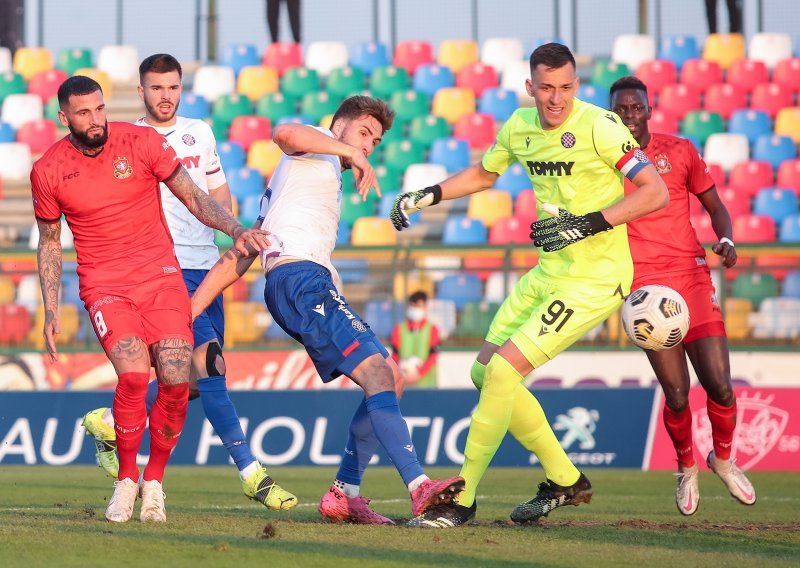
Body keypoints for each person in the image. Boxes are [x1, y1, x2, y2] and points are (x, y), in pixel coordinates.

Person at [389, 42, 669, 528]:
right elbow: (482, 174)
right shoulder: (519, 127)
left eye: (564, 88)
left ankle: (463, 498)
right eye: (545, 88)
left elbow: (655, 192)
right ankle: (565, 478)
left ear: (575, 86)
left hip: (594, 279)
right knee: (484, 374)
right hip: (546, 273)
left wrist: (588, 224)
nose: (555, 99)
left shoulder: (601, 126)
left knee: (500, 374)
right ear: (530, 87)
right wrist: (427, 194)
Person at [189, 95, 465, 525]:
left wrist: (189, 310)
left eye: (374, 140)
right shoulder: (314, 144)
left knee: (390, 378)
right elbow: (284, 133)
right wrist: (349, 150)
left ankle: (345, 492)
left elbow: (240, 254)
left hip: (302, 282)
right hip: (300, 280)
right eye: (363, 133)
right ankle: (419, 486)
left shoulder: (302, 180)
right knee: (379, 375)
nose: (368, 145)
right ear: (339, 125)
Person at [32, 75, 270, 523]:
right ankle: (126, 481)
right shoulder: (48, 169)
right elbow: (49, 243)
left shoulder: (139, 142)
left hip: (161, 277)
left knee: (178, 378)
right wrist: (50, 308)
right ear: (64, 118)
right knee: (136, 377)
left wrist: (236, 229)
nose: (96, 119)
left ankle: (155, 483)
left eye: (100, 108)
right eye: (84, 113)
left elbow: (195, 197)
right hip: (105, 285)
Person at [80, 54, 296, 512]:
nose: (166, 96)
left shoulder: (200, 132)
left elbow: (216, 191)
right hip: (159, 268)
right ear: (141, 92)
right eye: (156, 88)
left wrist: (231, 232)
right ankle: (252, 473)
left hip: (203, 264)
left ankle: (107, 421)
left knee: (189, 382)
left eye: (173, 87)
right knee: (210, 364)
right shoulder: (124, 139)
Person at [609, 75, 756, 515]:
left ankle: (724, 460)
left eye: (637, 108)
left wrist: (727, 239)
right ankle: (687, 466)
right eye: (621, 110)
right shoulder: (600, 163)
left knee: (721, 387)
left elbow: (716, 208)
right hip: (645, 289)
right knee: (676, 395)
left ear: (649, 111)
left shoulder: (680, 151)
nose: (630, 116)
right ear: (610, 114)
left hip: (691, 278)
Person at [390, 290, 440, 388]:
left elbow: (433, 356)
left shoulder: (432, 329)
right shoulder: (399, 329)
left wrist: (418, 374)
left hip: (427, 386)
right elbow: (394, 356)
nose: (415, 309)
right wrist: (401, 374)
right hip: (403, 384)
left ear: (425, 307)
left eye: (418, 306)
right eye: (412, 306)